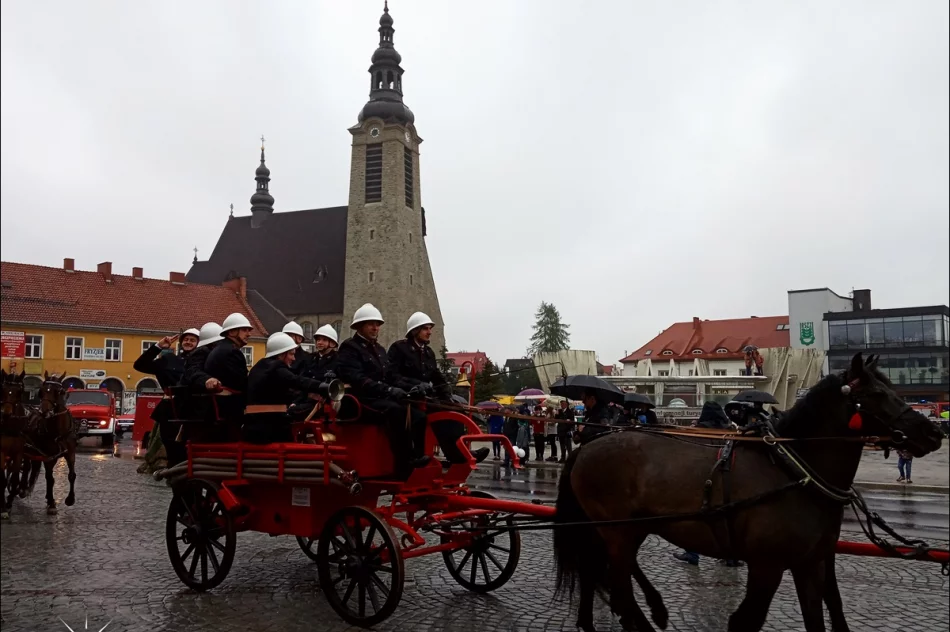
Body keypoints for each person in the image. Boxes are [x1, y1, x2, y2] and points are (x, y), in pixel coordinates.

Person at [337, 303, 429, 478]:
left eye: (377, 324)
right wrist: (388, 390)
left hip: (380, 398)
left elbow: (391, 376)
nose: (375, 328)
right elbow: (358, 379)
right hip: (360, 399)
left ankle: (418, 456)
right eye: (371, 324)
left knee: (418, 415)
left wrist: (411, 386)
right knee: (395, 411)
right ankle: (403, 462)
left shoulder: (379, 349)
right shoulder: (349, 347)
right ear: (359, 326)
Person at [388, 311, 489, 465]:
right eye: (425, 329)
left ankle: (457, 452)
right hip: (408, 399)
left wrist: (447, 395)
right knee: (420, 418)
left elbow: (437, 377)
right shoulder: (399, 348)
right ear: (415, 331)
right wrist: (414, 385)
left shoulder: (428, 352)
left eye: (430, 328)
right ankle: (418, 456)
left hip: (427, 398)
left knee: (454, 408)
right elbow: (392, 376)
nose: (429, 332)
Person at [244, 333, 331, 444]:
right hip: (270, 429)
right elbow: (296, 380)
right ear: (281, 354)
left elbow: (275, 393)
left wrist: (307, 395)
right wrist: (323, 386)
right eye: (291, 354)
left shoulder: (260, 367)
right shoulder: (276, 367)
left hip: (254, 426)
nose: (294, 358)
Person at [133, 328, 199, 467]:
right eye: (186, 339)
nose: (188, 342)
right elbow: (139, 365)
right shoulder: (169, 360)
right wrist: (158, 347)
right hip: (171, 410)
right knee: (173, 450)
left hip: (194, 410)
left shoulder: (203, 361)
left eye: (192, 340)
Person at [205, 313, 254, 428]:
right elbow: (241, 383)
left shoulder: (220, 349)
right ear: (232, 332)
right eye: (244, 330)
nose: (249, 334)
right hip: (229, 408)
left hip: (218, 405)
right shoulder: (232, 352)